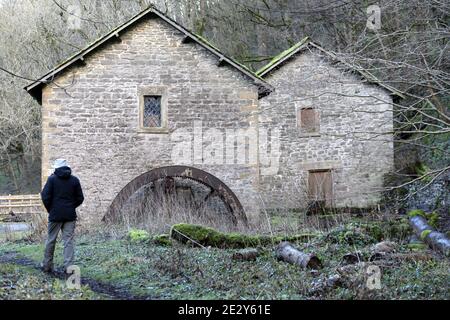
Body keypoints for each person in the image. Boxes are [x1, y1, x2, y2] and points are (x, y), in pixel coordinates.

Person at [40, 159, 84, 273]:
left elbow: (45, 196)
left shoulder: (51, 179)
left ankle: (47, 265)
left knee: (51, 240)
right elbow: (80, 198)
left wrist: (51, 209)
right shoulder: (74, 180)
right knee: (68, 241)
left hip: (55, 215)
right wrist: (71, 206)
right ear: (67, 168)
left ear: (56, 168)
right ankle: (69, 267)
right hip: (70, 215)